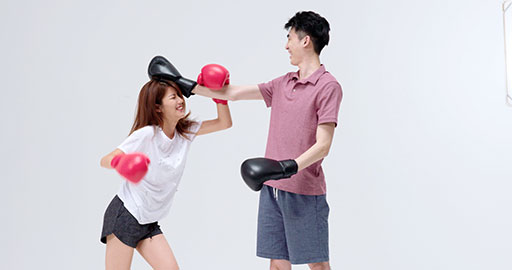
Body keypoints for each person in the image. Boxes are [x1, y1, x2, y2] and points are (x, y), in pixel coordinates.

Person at [192, 11, 342, 270]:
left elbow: (323, 145)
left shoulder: (328, 86)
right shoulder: (284, 83)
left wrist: (288, 167)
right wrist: (184, 85)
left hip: (304, 192)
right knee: (277, 263)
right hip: (272, 189)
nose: (286, 45)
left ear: (305, 40)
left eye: (290, 38)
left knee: (317, 265)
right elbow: (233, 93)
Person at [99, 58, 232, 270]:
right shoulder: (147, 135)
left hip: (149, 220)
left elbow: (225, 123)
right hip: (127, 214)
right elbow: (104, 160)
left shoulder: (185, 132)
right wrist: (121, 162)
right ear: (158, 107)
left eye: (180, 95)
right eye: (173, 97)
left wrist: (219, 96)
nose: (180, 100)